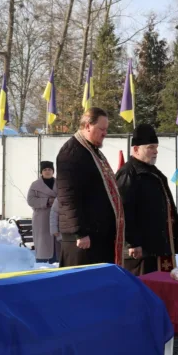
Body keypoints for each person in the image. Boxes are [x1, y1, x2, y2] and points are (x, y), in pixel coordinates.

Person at [56, 107, 124, 268]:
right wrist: (80, 232)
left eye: (106, 129)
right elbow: (68, 197)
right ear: (87, 126)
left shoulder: (91, 151)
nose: (105, 133)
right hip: (83, 240)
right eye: (101, 129)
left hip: (98, 236)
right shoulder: (72, 153)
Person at [115, 124, 178, 275]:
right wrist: (132, 242)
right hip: (141, 250)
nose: (156, 151)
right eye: (151, 147)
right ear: (136, 149)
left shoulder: (155, 173)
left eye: (156, 147)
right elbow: (124, 211)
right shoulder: (128, 173)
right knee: (142, 291)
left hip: (158, 247)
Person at [27, 161, 59, 263]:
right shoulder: (35, 185)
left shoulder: (60, 183)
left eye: (49, 169)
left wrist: (57, 202)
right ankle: (42, 261)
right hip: (41, 218)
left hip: (57, 217)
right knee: (43, 242)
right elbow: (31, 200)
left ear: (53, 171)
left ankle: (57, 259)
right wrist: (47, 201)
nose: (47, 171)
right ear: (41, 172)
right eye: (45, 169)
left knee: (57, 241)